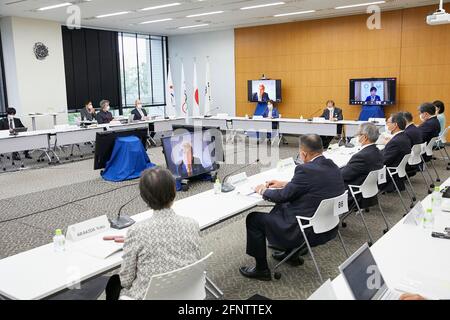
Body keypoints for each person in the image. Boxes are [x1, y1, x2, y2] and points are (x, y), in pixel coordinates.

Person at [239, 134, 345, 281]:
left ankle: (261, 269)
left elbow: (281, 196)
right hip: (328, 225)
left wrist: (261, 190)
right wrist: (284, 183)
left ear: (304, 153)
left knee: (254, 218)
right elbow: (311, 185)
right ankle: (292, 255)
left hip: (305, 230)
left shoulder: (305, 170)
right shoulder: (331, 165)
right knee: (285, 205)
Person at [105, 167, 201, 300]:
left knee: (113, 283)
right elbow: (194, 263)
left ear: (144, 197)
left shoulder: (136, 231)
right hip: (187, 293)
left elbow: (126, 281)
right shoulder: (192, 224)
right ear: (174, 191)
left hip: (148, 296)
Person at [341, 123, 383, 188]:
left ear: (365, 137)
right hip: (369, 188)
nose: (357, 136)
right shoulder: (378, 151)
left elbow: (343, 175)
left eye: (358, 134)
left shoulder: (361, 156)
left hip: (353, 190)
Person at [382, 113, 412, 192]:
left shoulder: (395, 142)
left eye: (388, 122)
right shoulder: (405, 136)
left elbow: (383, 161)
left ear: (395, 125)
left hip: (388, 173)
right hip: (398, 170)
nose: (386, 124)